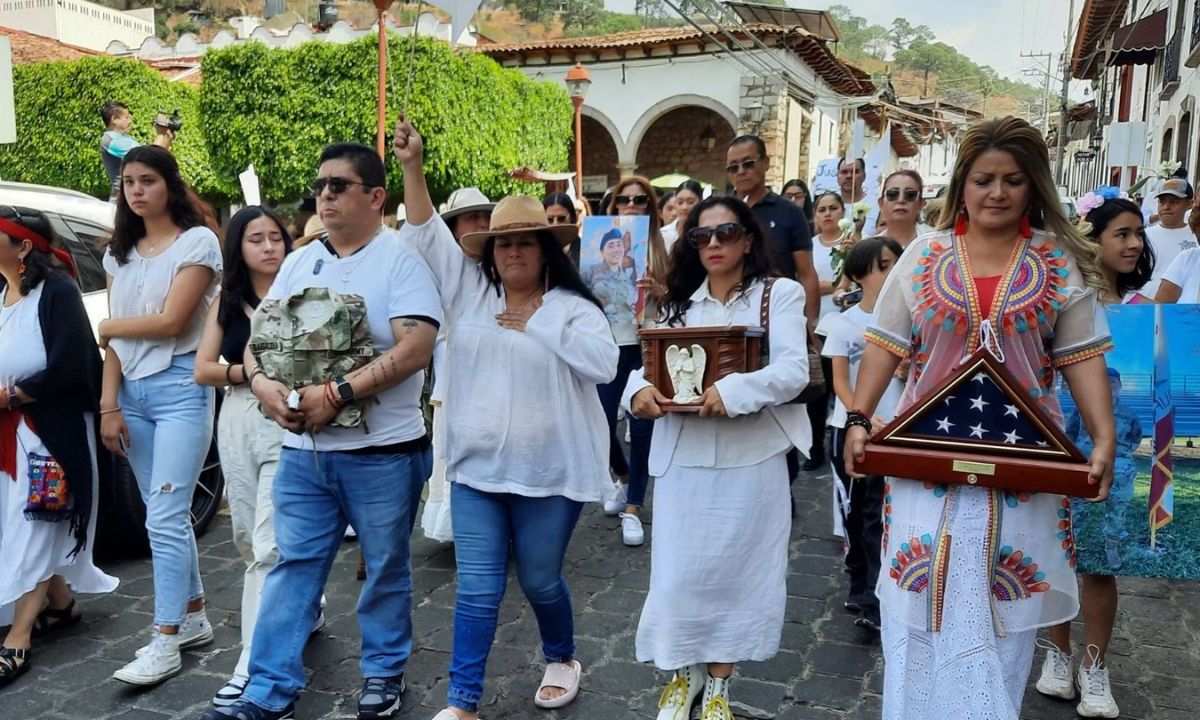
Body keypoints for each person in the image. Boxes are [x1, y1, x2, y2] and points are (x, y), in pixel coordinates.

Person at [844, 117, 1117, 720]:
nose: (997, 192)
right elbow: (887, 344)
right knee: (921, 604)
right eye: (984, 179)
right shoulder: (924, 255)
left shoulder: (1054, 262)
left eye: (1013, 180)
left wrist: (1102, 439)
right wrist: (859, 418)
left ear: (1033, 187)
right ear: (962, 186)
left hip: (1024, 468)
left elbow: (1081, 357)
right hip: (924, 461)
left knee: (1002, 613)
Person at [201, 142, 442, 720]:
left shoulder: (401, 259)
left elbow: (417, 344)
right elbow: (259, 341)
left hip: (383, 451)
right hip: (302, 452)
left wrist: (338, 393)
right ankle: (268, 690)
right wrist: (262, 389)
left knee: (384, 568)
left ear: (375, 196)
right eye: (320, 185)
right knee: (291, 566)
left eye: (339, 184)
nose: (325, 194)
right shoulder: (301, 260)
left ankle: (383, 675)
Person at [393, 117, 618, 720]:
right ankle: (463, 701)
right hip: (476, 472)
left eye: (525, 241)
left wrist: (539, 322)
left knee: (542, 581)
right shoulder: (469, 294)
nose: (513, 250)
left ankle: (562, 656)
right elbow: (423, 232)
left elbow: (602, 364)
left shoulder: (574, 308)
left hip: (550, 475)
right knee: (477, 589)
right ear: (489, 250)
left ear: (547, 248)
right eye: (502, 242)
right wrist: (413, 165)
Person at [625, 195, 810, 720]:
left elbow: (794, 369)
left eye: (725, 232)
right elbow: (648, 366)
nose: (713, 244)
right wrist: (635, 395)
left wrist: (735, 391)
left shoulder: (780, 294)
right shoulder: (676, 301)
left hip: (753, 458)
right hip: (685, 458)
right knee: (679, 575)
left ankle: (719, 689)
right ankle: (683, 676)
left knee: (740, 574)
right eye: (700, 236)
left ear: (748, 238)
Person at [99, 146, 222, 687]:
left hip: (180, 390)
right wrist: (108, 404)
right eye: (129, 182)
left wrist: (108, 329)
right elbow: (116, 343)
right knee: (161, 513)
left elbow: (173, 322)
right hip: (132, 395)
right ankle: (193, 616)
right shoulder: (117, 253)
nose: (137, 190)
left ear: (169, 185)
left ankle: (164, 638)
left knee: (165, 518)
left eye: (148, 180)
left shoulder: (197, 243)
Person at [1036, 194, 1154, 719]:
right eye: (1121, 234)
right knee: (1051, 554)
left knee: (1101, 562)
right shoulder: (1061, 301)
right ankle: (1057, 654)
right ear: (1093, 240)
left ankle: (1095, 663)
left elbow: (1154, 396)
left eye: (1138, 234)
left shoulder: (1146, 314)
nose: (1133, 244)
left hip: (1114, 456)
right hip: (1057, 445)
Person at [0, 207, 118, 689]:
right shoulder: (0, 294)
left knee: (36, 527)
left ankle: (18, 637)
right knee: (15, 525)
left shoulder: (60, 293)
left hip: (49, 434)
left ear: (23, 246)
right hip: (8, 434)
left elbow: (75, 368)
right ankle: (63, 603)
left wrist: (11, 395)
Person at [193, 206, 297, 707]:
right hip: (236, 419)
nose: (269, 246)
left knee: (267, 544)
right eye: (256, 239)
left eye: (276, 237)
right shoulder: (227, 301)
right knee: (244, 539)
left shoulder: (303, 291)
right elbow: (202, 369)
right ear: (239, 247)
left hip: (288, 423)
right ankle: (309, 606)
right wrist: (247, 375)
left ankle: (252, 664)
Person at [819, 237, 904, 634]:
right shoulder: (845, 324)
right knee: (860, 515)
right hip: (853, 431)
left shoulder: (912, 322)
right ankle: (862, 584)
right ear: (858, 276)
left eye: (895, 264)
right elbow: (839, 381)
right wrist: (863, 418)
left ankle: (884, 592)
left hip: (900, 433)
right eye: (882, 266)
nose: (890, 274)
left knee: (887, 516)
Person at [727, 135, 821, 472]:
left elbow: (806, 272)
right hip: (734, 323)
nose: (741, 171)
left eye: (748, 163)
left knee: (781, 400)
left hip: (778, 318)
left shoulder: (789, 213)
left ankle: (783, 476)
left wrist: (810, 323)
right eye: (733, 167)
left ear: (765, 163)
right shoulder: (726, 214)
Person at [595, 176, 669, 547]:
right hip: (609, 343)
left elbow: (681, 300)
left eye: (640, 200)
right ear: (614, 206)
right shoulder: (599, 244)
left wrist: (660, 290)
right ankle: (624, 478)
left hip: (647, 343)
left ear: (650, 206)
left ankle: (634, 507)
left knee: (641, 427)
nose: (632, 206)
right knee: (600, 422)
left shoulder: (663, 244)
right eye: (624, 200)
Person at [420, 188, 496, 545]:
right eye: (471, 217)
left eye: (485, 217)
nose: (480, 223)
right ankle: (459, 523)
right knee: (452, 443)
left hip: (495, 370)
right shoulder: (445, 265)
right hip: (455, 365)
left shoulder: (497, 265)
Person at [99, 101, 174, 202]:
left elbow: (158, 156)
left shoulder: (123, 139)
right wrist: (161, 134)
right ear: (114, 119)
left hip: (133, 198)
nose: (130, 121)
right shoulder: (111, 140)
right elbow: (149, 156)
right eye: (126, 117)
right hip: (122, 201)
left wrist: (167, 137)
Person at [1141, 178, 1198, 299]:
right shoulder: (1143, 237)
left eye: (1173, 202)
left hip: (1181, 310)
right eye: (1162, 202)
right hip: (1144, 305)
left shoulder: (1196, 237)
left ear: (1189, 204)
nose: (1166, 207)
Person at [875, 170, 929, 248]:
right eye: (892, 194)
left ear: (921, 203)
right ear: (881, 203)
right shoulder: (868, 249)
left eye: (910, 195)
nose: (901, 200)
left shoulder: (937, 242)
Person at [837, 157, 879, 236]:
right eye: (844, 172)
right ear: (837, 176)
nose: (849, 176)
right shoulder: (827, 205)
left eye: (855, 172)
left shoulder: (877, 205)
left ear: (864, 176)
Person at [661, 179, 704, 252]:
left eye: (690, 202)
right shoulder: (662, 234)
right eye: (680, 202)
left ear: (700, 202)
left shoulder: (705, 232)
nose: (684, 207)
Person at [544, 192, 581, 266]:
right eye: (550, 219)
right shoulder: (539, 252)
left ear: (572, 218)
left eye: (561, 219)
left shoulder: (585, 250)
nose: (555, 224)